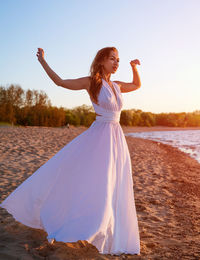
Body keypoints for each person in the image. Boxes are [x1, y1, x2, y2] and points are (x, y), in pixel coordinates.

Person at [0, 46, 141, 256]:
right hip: (99, 137)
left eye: (118, 60)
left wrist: (133, 67)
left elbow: (137, 84)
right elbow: (60, 82)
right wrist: (43, 62)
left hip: (116, 138)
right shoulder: (92, 82)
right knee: (97, 180)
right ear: (101, 60)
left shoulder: (117, 85)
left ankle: (107, 225)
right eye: (112, 59)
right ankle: (86, 223)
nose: (116, 63)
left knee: (113, 182)